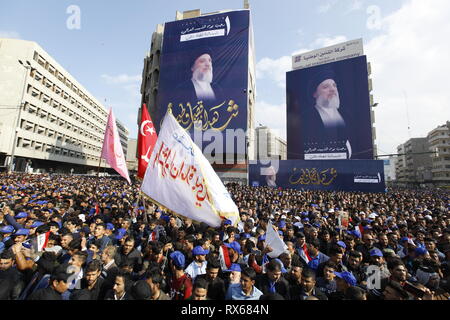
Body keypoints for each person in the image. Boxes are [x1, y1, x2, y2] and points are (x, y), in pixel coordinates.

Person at [299, 66, 352, 160]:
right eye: (325, 87)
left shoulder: (347, 116)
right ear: (315, 94)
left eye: (334, 85)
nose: (332, 89)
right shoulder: (305, 118)